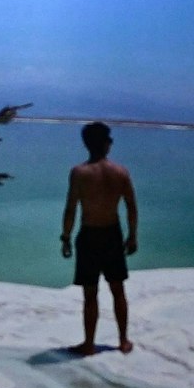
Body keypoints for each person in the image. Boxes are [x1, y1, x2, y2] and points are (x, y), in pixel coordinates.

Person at [60, 121, 138, 356]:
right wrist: (132, 236)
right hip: (112, 234)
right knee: (117, 290)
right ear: (105, 144)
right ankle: (123, 341)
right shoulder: (120, 172)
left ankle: (89, 343)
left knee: (90, 294)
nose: (111, 143)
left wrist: (65, 237)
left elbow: (71, 208)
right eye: (110, 139)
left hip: (89, 235)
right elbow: (131, 207)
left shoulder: (79, 173)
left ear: (86, 144)